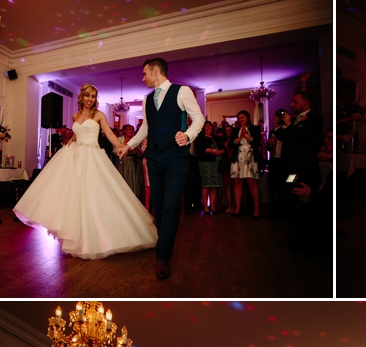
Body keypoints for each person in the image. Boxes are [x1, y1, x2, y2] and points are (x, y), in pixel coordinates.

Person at [13, 84, 158, 259]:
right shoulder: (76, 115)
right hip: (75, 158)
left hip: (92, 157)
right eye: (88, 96)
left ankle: (100, 239)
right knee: (74, 199)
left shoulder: (99, 115)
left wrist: (122, 146)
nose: (90, 99)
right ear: (82, 97)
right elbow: (77, 132)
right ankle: (78, 238)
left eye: (93, 96)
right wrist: (70, 141)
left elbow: (109, 134)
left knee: (94, 197)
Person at [118, 58, 204, 280]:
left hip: (176, 156)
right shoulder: (147, 100)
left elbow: (199, 119)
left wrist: (188, 135)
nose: (143, 77)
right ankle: (163, 244)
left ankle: (163, 256)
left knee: (171, 204)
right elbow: (146, 127)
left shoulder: (182, 91)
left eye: (145, 73)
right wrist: (128, 146)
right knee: (157, 204)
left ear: (156, 71)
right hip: (154, 157)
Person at [228, 110, 262, 218]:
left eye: (242, 117)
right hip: (238, 158)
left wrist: (246, 135)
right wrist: (239, 137)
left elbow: (257, 143)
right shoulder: (235, 130)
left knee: (251, 181)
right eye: (238, 118)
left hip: (250, 157)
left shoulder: (255, 128)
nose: (240, 120)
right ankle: (238, 207)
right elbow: (231, 145)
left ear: (247, 117)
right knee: (237, 182)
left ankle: (256, 208)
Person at [194, 120, 224, 214]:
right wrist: (214, 151)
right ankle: (205, 206)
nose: (208, 127)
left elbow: (223, 148)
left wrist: (220, 152)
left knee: (214, 185)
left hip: (216, 163)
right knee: (206, 185)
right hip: (205, 163)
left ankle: (212, 205)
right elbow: (201, 149)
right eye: (206, 126)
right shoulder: (200, 138)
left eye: (209, 126)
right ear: (203, 128)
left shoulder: (217, 138)